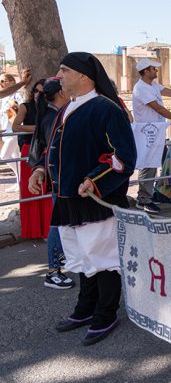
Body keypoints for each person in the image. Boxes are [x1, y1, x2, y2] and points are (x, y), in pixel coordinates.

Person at [28, 52, 137, 345]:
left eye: (64, 70)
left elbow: (124, 158)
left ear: (84, 76)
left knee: (102, 259)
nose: (58, 76)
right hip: (67, 199)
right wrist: (40, 169)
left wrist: (94, 179)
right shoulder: (68, 108)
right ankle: (85, 308)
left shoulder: (106, 109)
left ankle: (106, 313)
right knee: (81, 258)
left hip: (96, 201)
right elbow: (55, 148)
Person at [29, 77, 74, 289]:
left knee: (63, 222)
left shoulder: (53, 115)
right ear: (61, 93)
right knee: (58, 223)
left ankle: (61, 260)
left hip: (62, 178)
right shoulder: (52, 119)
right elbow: (52, 151)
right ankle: (53, 271)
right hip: (61, 179)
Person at [132, 58, 171, 213]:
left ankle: (154, 194)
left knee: (157, 163)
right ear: (145, 71)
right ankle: (143, 199)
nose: (156, 71)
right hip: (147, 131)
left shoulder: (153, 85)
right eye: (153, 69)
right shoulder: (141, 88)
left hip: (156, 131)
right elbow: (158, 108)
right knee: (148, 164)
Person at [12, 79, 52, 239]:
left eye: (42, 92)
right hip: (29, 148)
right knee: (30, 189)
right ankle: (33, 230)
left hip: (46, 149)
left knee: (46, 188)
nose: (38, 95)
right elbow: (15, 126)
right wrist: (37, 128)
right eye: (36, 90)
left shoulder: (50, 107)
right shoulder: (25, 106)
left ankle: (48, 229)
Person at [0, 70, 31, 192]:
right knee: (15, 157)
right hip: (6, 132)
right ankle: (20, 181)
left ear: (11, 82)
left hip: (14, 132)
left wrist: (22, 83)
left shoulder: (17, 96)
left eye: (3, 81)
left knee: (5, 157)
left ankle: (21, 180)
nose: (0, 83)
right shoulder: (2, 99)